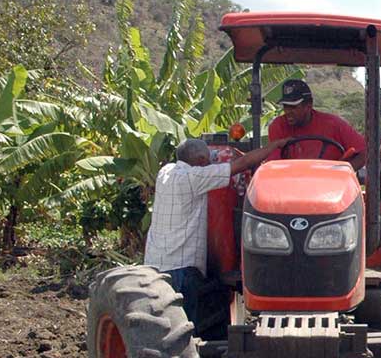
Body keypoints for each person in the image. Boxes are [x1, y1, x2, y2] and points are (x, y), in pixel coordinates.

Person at [144, 136, 290, 325]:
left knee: (164, 326)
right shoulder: (194, 178)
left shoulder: (165, 172)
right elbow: (243, 164)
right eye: (207, 160)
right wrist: (275, 145)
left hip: (156, 266)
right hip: (182, 269)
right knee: (185, 327)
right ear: (201, 162)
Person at [268, 79, 367, 171]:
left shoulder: (333, 124)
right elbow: (275, 165)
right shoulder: (278, 126)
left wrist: (343, 173)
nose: (288, 111)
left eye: (293, 107)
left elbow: (365, 152)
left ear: (309, 105)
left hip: (331, 184)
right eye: (286, 106)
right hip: (292, 183)